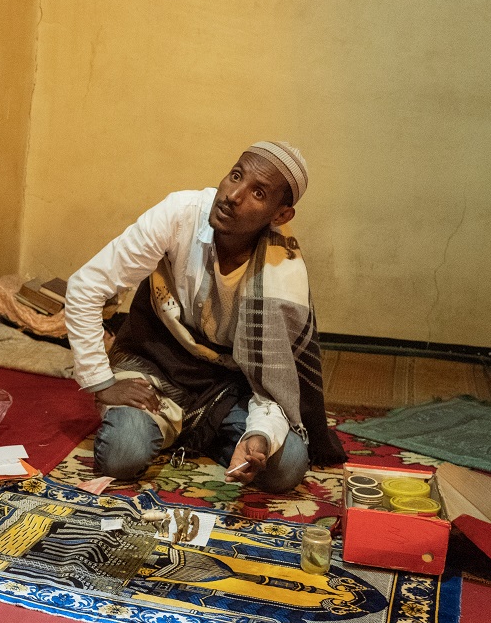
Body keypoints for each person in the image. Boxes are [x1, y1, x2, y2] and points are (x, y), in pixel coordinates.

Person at [65, 141, 345, 493]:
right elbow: (85, 287)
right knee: (123, 455)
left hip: (228, 387)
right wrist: (101, 382)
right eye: (235, 176)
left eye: (257, 193)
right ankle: (193, 430)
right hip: (154, 366)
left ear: (280, 215)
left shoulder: (283, 274)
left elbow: (272, 382)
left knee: (285, 467)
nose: (233, 195)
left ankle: (206, 431)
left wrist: (258, 437)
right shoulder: (180, 213)